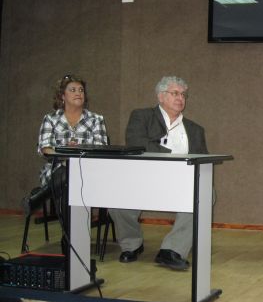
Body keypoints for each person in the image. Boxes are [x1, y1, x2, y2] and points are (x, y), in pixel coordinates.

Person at [109, 76, 208, 271]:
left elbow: (203, 159)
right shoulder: (142, 116)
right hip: (144, 178)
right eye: (175, 93)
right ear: (161, 96)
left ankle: (171, 250)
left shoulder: (195, 130)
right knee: (116, 196)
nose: (181, 98)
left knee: (205, 192)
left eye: (183, 95)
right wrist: (173, 156)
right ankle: (132, 244)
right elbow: (136, 142)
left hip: (181, 182)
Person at [25, 74, 109, 215]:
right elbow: (45, 149)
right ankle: (71, 230)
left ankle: (39, 198)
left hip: (87, 170)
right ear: (62, 96)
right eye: (73, 90)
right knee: (68, 174)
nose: (78, 93)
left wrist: (77, 152)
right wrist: (66, 154)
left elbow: (101, 149)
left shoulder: (96, 119)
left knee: (70, 176)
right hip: (55, 169)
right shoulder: (51, 119)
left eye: (81, 90)